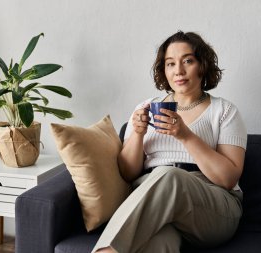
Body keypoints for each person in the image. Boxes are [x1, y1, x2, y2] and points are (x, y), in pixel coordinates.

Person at [93, 31, 247, 253]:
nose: (179, 71)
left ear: (202, 65)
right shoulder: (145, 107)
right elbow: (128, 173)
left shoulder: (224, 111)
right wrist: (137, 133)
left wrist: (186, 135)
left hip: (211, 206)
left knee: (168, 175)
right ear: (163, 70)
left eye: (188, 61)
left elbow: (228, 179)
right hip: (155, 203)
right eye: (170, 63)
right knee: (158, 243)